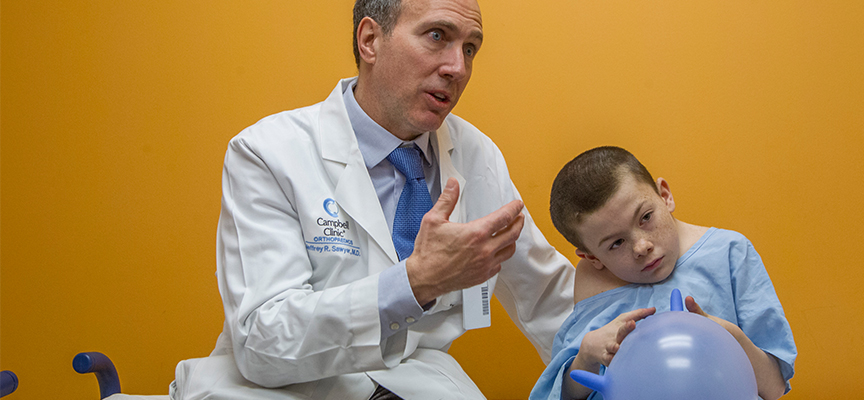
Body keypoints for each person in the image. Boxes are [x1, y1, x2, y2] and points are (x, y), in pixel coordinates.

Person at [169, 1, 575, 399]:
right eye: (438, 36)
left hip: (415, 381)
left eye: (470, 48)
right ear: (370, 41)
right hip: (278, 388)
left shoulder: (474, 154)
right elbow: (263, 341)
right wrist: (415, 282)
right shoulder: (268, 152)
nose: (458, 67)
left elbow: (546, 294)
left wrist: (621, 337)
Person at [529, 146, 796, 400]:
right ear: (592, 257)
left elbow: (774, 387)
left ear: (665, 196)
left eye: (645, 217)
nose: (641, 247)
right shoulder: (593, 284)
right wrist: (585, 357)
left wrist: (730, 336)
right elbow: (563, 394)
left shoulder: (729, 253)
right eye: (616, 243)